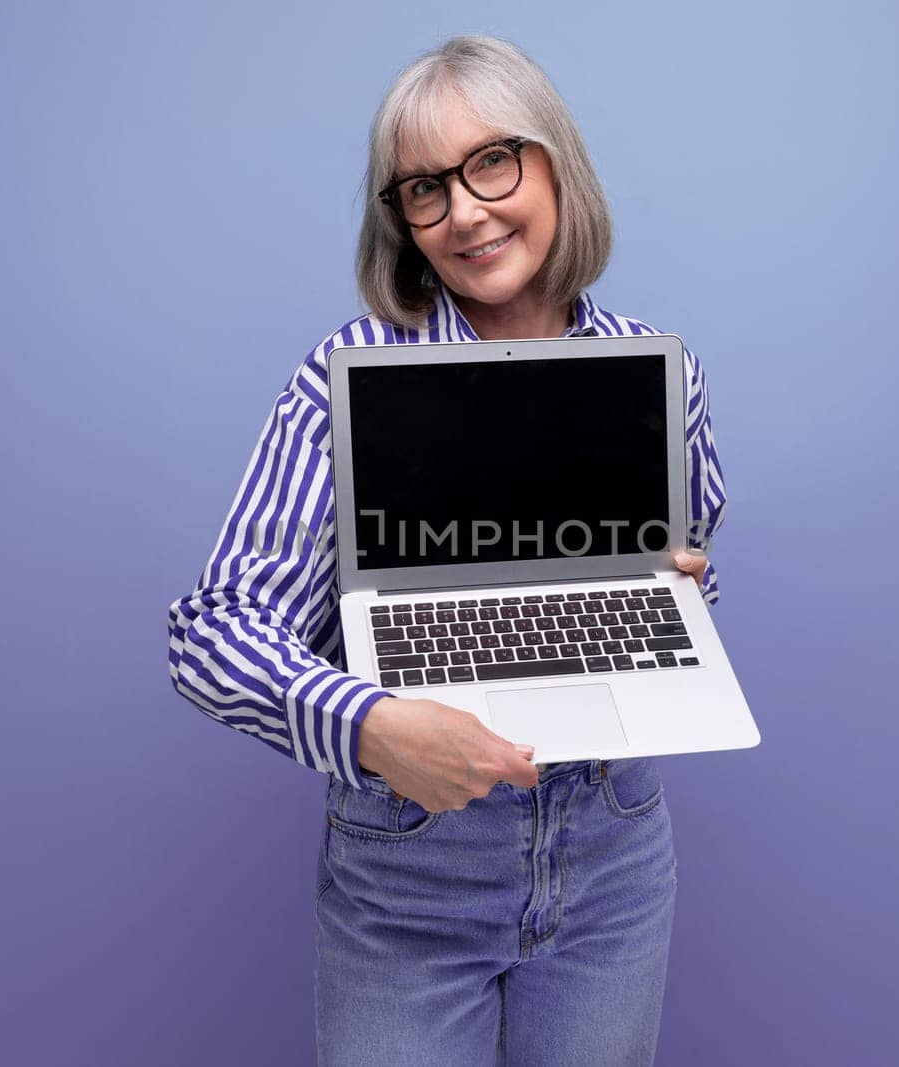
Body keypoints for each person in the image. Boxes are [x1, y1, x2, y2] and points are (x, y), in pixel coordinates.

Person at [166, 35, 728, 1067]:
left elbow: (689, 565)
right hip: (410, 869)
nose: (464, 210)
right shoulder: (346, 374)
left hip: (614, 850)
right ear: (403, 220)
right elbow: (213, 633)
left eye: (492, 163)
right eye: (425, 188)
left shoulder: (660, 371)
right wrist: (372, 723)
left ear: (557, 161)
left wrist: (680, 594)